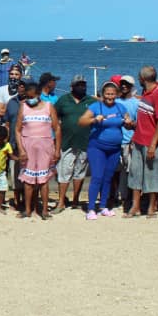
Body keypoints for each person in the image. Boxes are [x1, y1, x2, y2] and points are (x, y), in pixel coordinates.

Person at [79, 82, 131, 220]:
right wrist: (94, 119)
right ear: (103, 94)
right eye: (107, 94)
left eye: (113, 94)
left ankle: (103, 206)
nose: (110, 96)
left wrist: (128, 122)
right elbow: (81, 121)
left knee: (108, 178)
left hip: (114, 148)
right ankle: (91, 208)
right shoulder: (96, 106)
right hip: (97, 147)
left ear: (117, 94)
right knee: (97, 177)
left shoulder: (120, 107)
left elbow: (130, 124)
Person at [126, 66, 158, 218]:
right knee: (136, 174)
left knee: (153, 174)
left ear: (142, 79)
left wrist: (153, 144)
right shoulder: (146, 93)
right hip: (139, 139)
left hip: (151, 142)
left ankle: (152, 206)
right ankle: (135, 205)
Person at [13, 81, 60, 219]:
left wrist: (57, 150)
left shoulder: (48, 106)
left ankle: (44, 210)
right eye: (28, 97)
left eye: (32, 96)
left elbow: (57, 129)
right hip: (28, 147)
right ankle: (27, 210)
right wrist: (21, 149)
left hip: (45, 146)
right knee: (28, 181)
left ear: (39, 95)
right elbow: (17, 130)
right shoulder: (23, 107)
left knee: (43, 180)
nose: (30, 99)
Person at [54, 74, 95, 212]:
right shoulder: (63, 100)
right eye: (78, 85)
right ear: (72, 87)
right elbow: (54, 116)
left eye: (83, 84)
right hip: (66, 142)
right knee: (64, 172)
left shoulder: (91, 101)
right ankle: (61, 202)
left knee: (80, 172)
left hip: (85, 142)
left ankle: (76, 200)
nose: (81, 87)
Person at [114, 75, 140, 209]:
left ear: (131, 86)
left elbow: (140, 124)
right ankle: (118, 197)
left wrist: (132, 124)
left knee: (130, 171)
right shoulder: (115, 102)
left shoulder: (136, 103)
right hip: (115, 142)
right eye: (122, 84)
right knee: (116, 172)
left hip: (129, 142)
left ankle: (129, 199)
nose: (124, 86)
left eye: (127, 84)